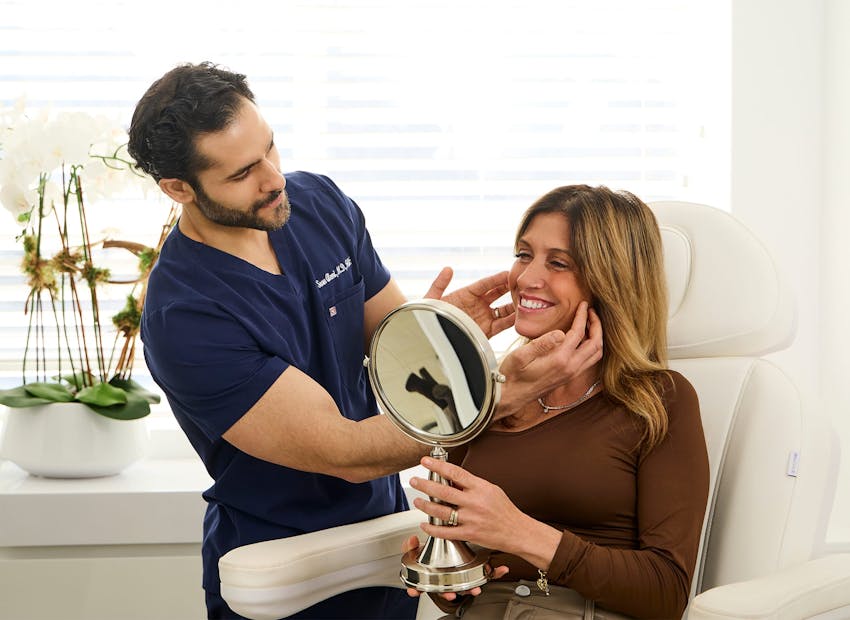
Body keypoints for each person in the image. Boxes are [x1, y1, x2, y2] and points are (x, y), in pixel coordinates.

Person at [127, 63, 603, 619]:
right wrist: (500, 395)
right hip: (281, 561)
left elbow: (399, 355)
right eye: (241, 174)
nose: (273, 178)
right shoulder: (185, 315)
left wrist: (444, 331)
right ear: (178, 188)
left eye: (271, 149)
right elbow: (346, 453)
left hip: (385, 537)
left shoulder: (317, 206)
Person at [404, 185, 710, 619]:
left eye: (559, 263)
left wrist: (519, 532)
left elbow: (666, 592)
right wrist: (446, 576)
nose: (526, 279)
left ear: (610, 278)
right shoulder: (488, 398)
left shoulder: (659, 400)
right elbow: (467, 573)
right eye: (523, 254)